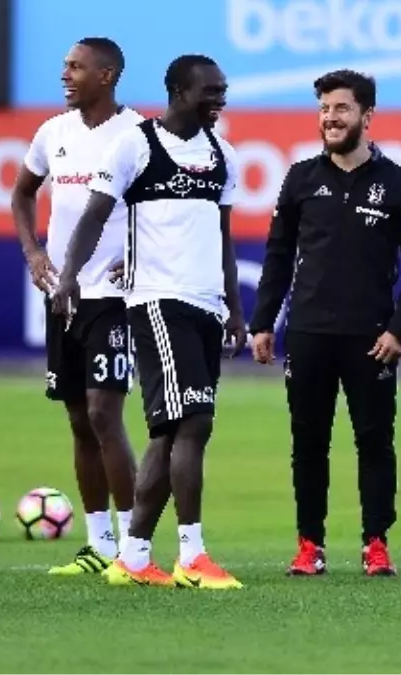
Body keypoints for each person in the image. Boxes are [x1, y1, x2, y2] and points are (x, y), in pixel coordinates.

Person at [51, 54, 245, 591]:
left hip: (207, 305)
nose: (219, 100)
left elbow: (223, 237)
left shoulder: (223, 155)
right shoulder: (135, 145)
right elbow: (94, 214)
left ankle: (134, 556)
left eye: (222, 91)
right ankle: (192, 555)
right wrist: (69, 276)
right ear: (179, 91)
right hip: (158, 300)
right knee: (195, 422)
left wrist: (234, 309)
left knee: (168, 430)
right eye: (210, 91)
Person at [250, 69, 401, 577]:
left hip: (371, 338)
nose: (330, 118)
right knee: (308, 444)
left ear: (366, 116)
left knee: (374, 442)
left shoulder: (399, 184)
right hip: (308, 333)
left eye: (341, 109)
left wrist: (399, 329)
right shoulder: (300, 178)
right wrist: (263, 321)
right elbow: (278, 255)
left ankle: (376, 544)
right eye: (324, 109)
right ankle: (309, 545)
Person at [12, 37, 142, 576]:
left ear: (106, 75)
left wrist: (138, 253)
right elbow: (22, 193)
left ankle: (135, 545)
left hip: (113, 298)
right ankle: (99, 544)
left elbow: (162, 207)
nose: (65, 75)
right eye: (64, 66)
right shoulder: (53, 132)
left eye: (76, 67)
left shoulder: (137, 135)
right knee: (78, 419)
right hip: (62, 296)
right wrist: (33, 251)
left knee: (104, 413)